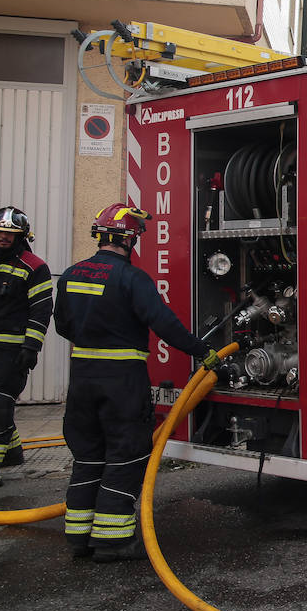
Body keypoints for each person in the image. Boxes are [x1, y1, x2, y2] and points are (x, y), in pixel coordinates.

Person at [54, 202, 218, 562]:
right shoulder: (132, 279)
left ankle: (79, 537)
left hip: (81, 381)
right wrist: (202, 351)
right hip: (122, 383)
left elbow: (62, 325)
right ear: (130, 238)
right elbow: (163, 323)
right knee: (125, 456)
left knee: (88, 456)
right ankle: (113, 542)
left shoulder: (71, 274)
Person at [0, 207, 52, 488]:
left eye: (10, 233)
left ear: (21, 236)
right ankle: (12, 452)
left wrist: (31, 347)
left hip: (11, 352)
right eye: (0, 232)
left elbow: (41, 310)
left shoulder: (35, 267)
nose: (4, 237)